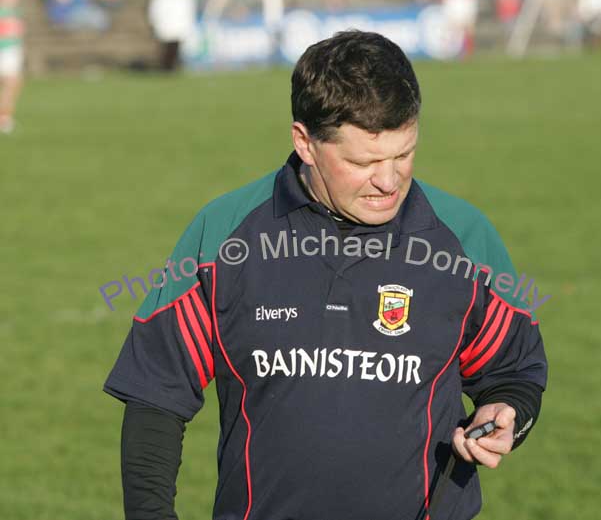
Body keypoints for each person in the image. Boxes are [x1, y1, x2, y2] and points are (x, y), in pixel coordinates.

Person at [103, 30, 548, 520]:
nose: (388, 180)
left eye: (404, 155)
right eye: (364, 161)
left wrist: (508, 413)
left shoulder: (465, 240)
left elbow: (513, 372)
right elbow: (155, 395)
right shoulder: (223, 235)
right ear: (305, 142)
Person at [0, 0, 24, 135]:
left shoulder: (15, 9)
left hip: (12, 50)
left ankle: (4, 117)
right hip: (3, 50)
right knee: (10, 82)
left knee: (13, 83)